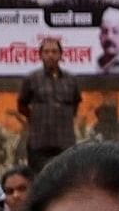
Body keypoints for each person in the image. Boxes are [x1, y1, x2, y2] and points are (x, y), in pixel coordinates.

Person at [15, 35, 81, 184]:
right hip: (39, 142)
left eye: (54, 51)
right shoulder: (31, 79)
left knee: (66, 182)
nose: (50, 55)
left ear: (61, 55)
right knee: (40, 182)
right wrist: (37, 118)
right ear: (40, 55)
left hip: (65, 142)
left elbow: (75, 104)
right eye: (46, 52)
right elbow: (21, 105)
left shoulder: (71, 80)